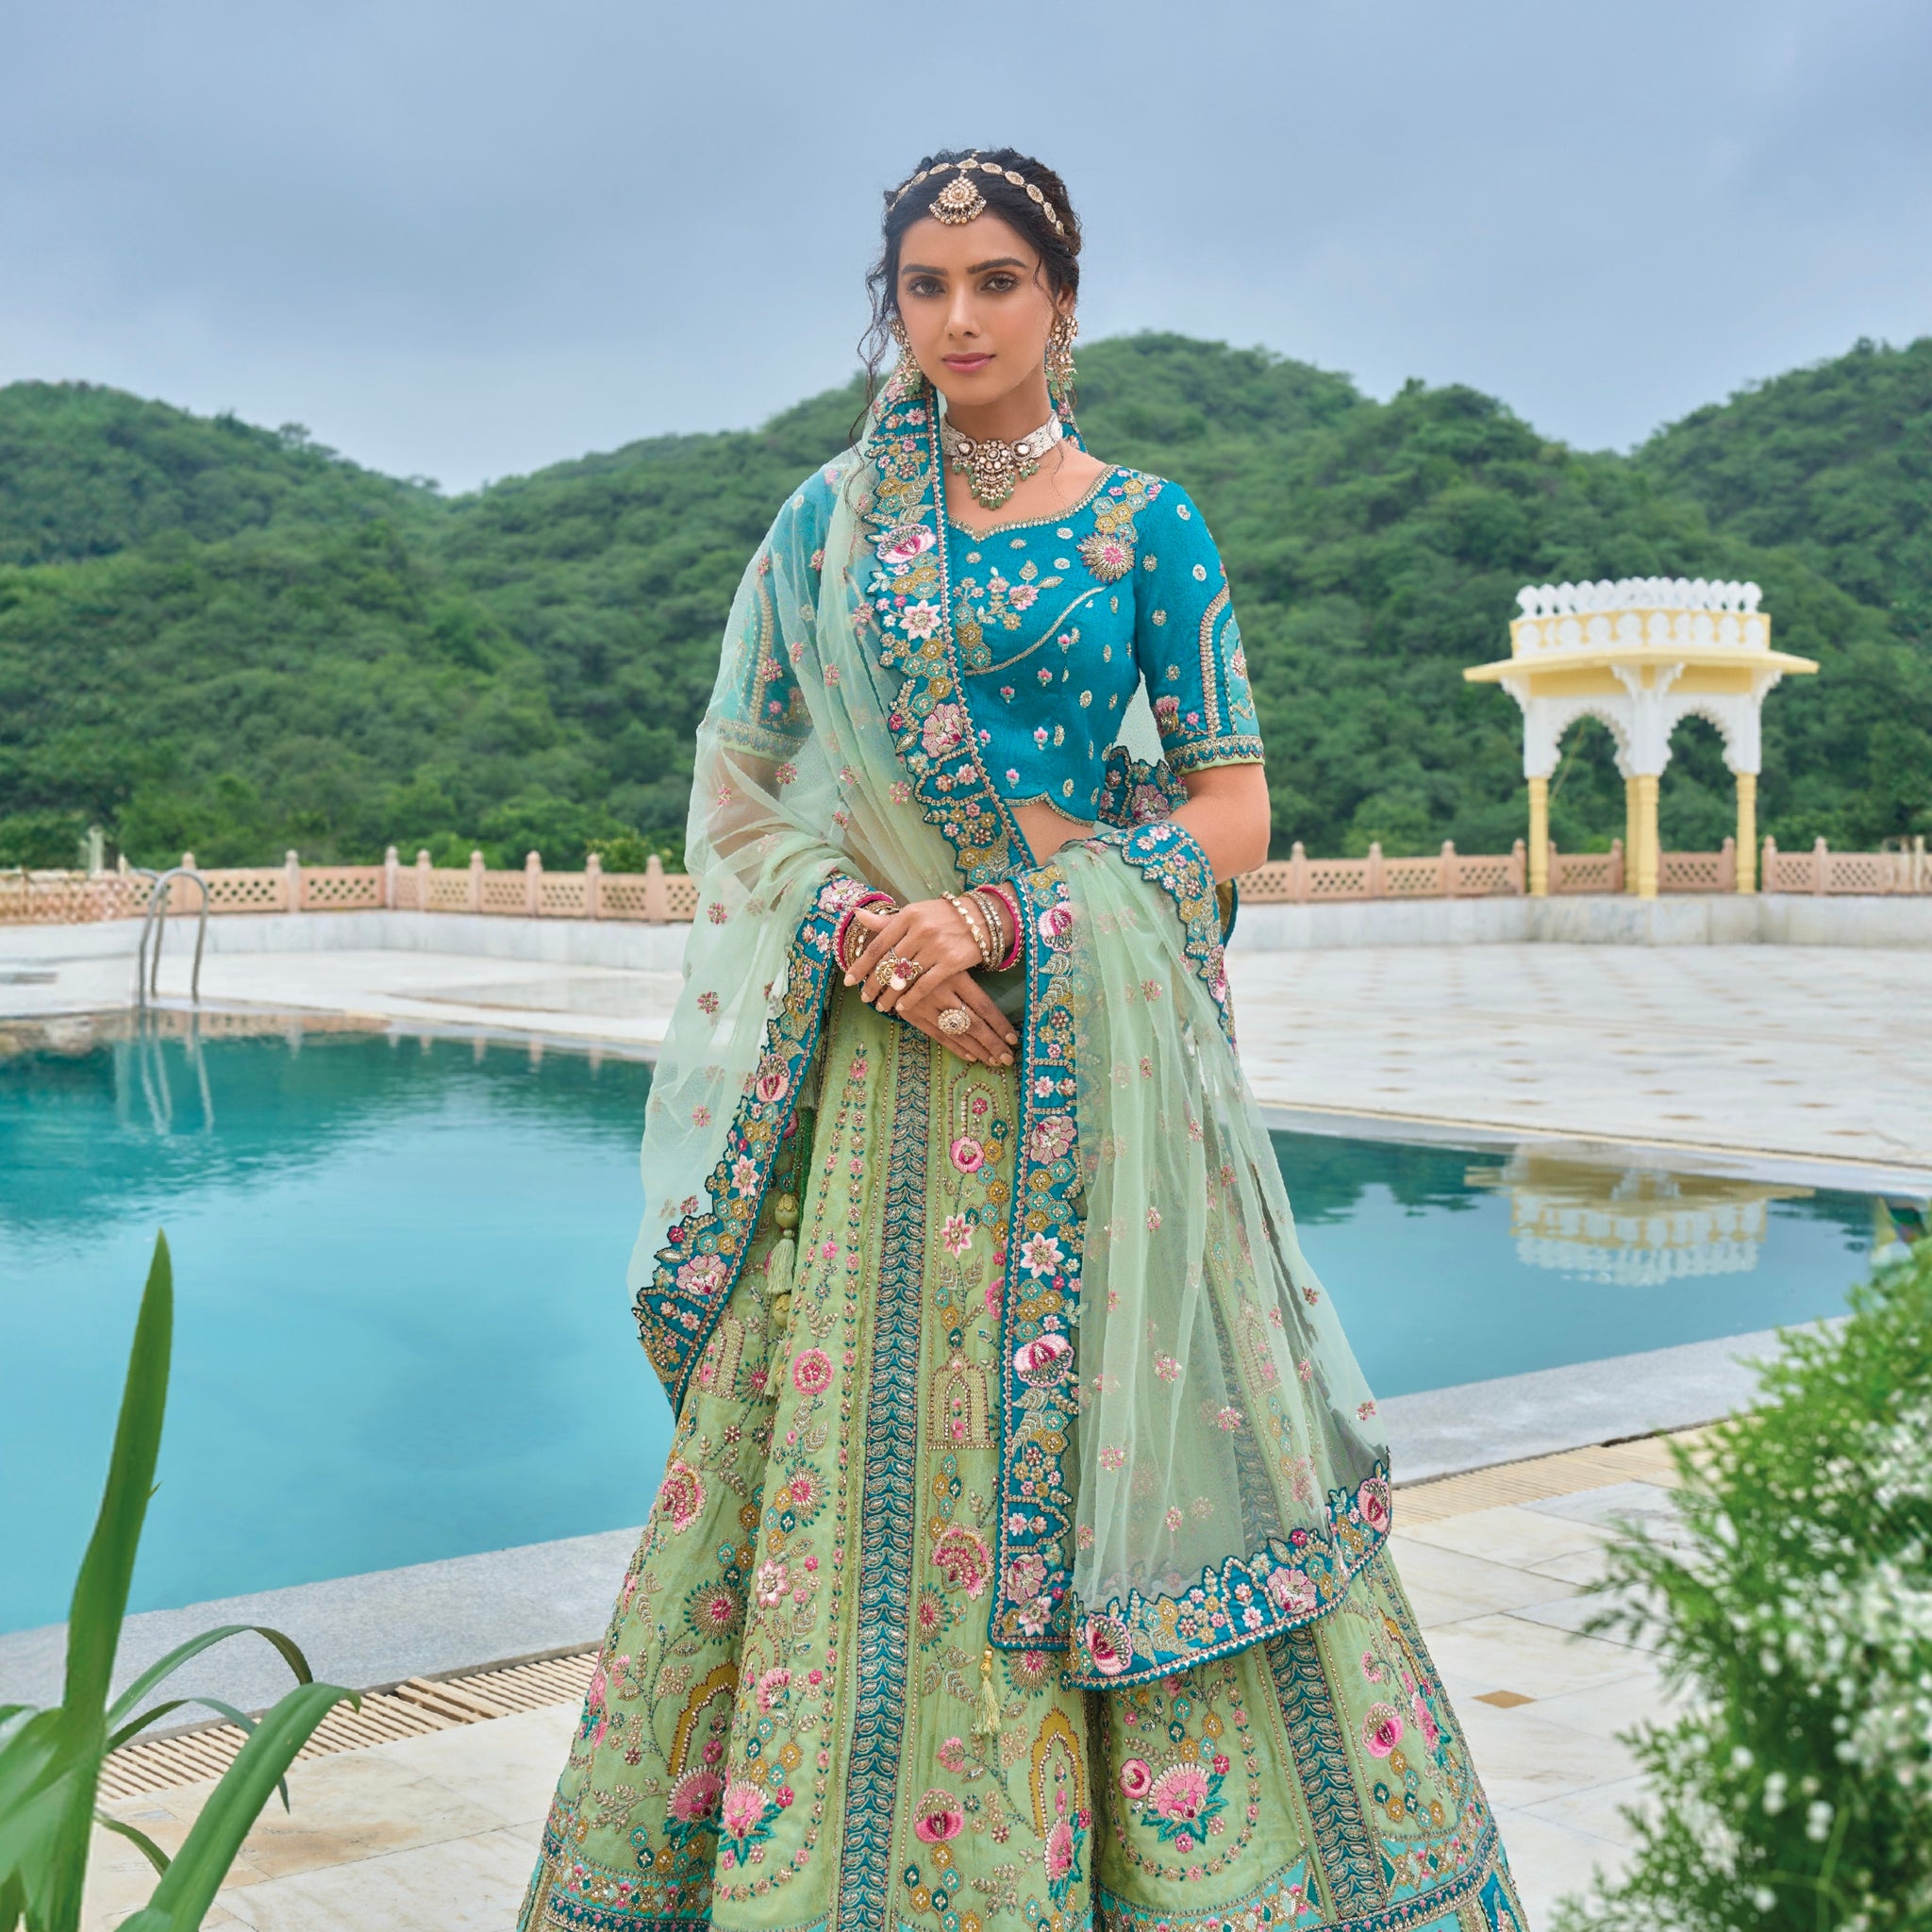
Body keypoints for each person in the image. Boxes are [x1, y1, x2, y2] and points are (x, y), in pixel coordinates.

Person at [518, 148, 1525, 1932]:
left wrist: (1000, 919)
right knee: (845, 1479)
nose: (961, 317)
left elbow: (1232, 811)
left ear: (1064, 296)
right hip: (876, 1091)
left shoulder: (1147, 521)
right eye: (926, 284)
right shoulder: (828, 525)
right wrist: (872, 938)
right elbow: (740, 798)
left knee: (1117, 1464)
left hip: (1090, 1087)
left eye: (996, 280)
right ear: (891, 305)